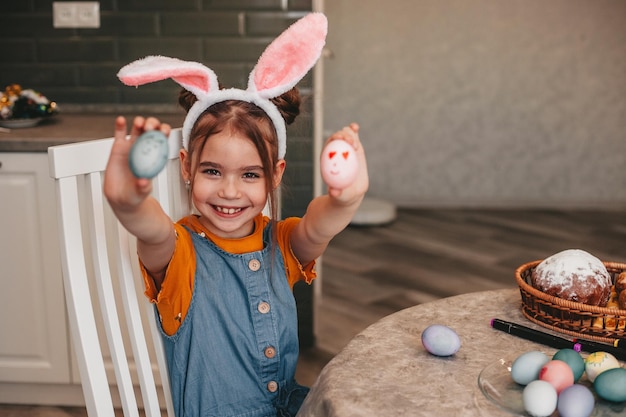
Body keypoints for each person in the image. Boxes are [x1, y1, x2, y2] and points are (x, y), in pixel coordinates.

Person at [104, 13, 368, 417]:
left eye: (249, 174)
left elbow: (318, 226)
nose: (229, 191)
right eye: (212, 171)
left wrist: (346, 200)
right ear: (186, 167)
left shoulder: (281, 243)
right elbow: (152, 232)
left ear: (274, 175)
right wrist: (129, 204)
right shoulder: (181, 256)